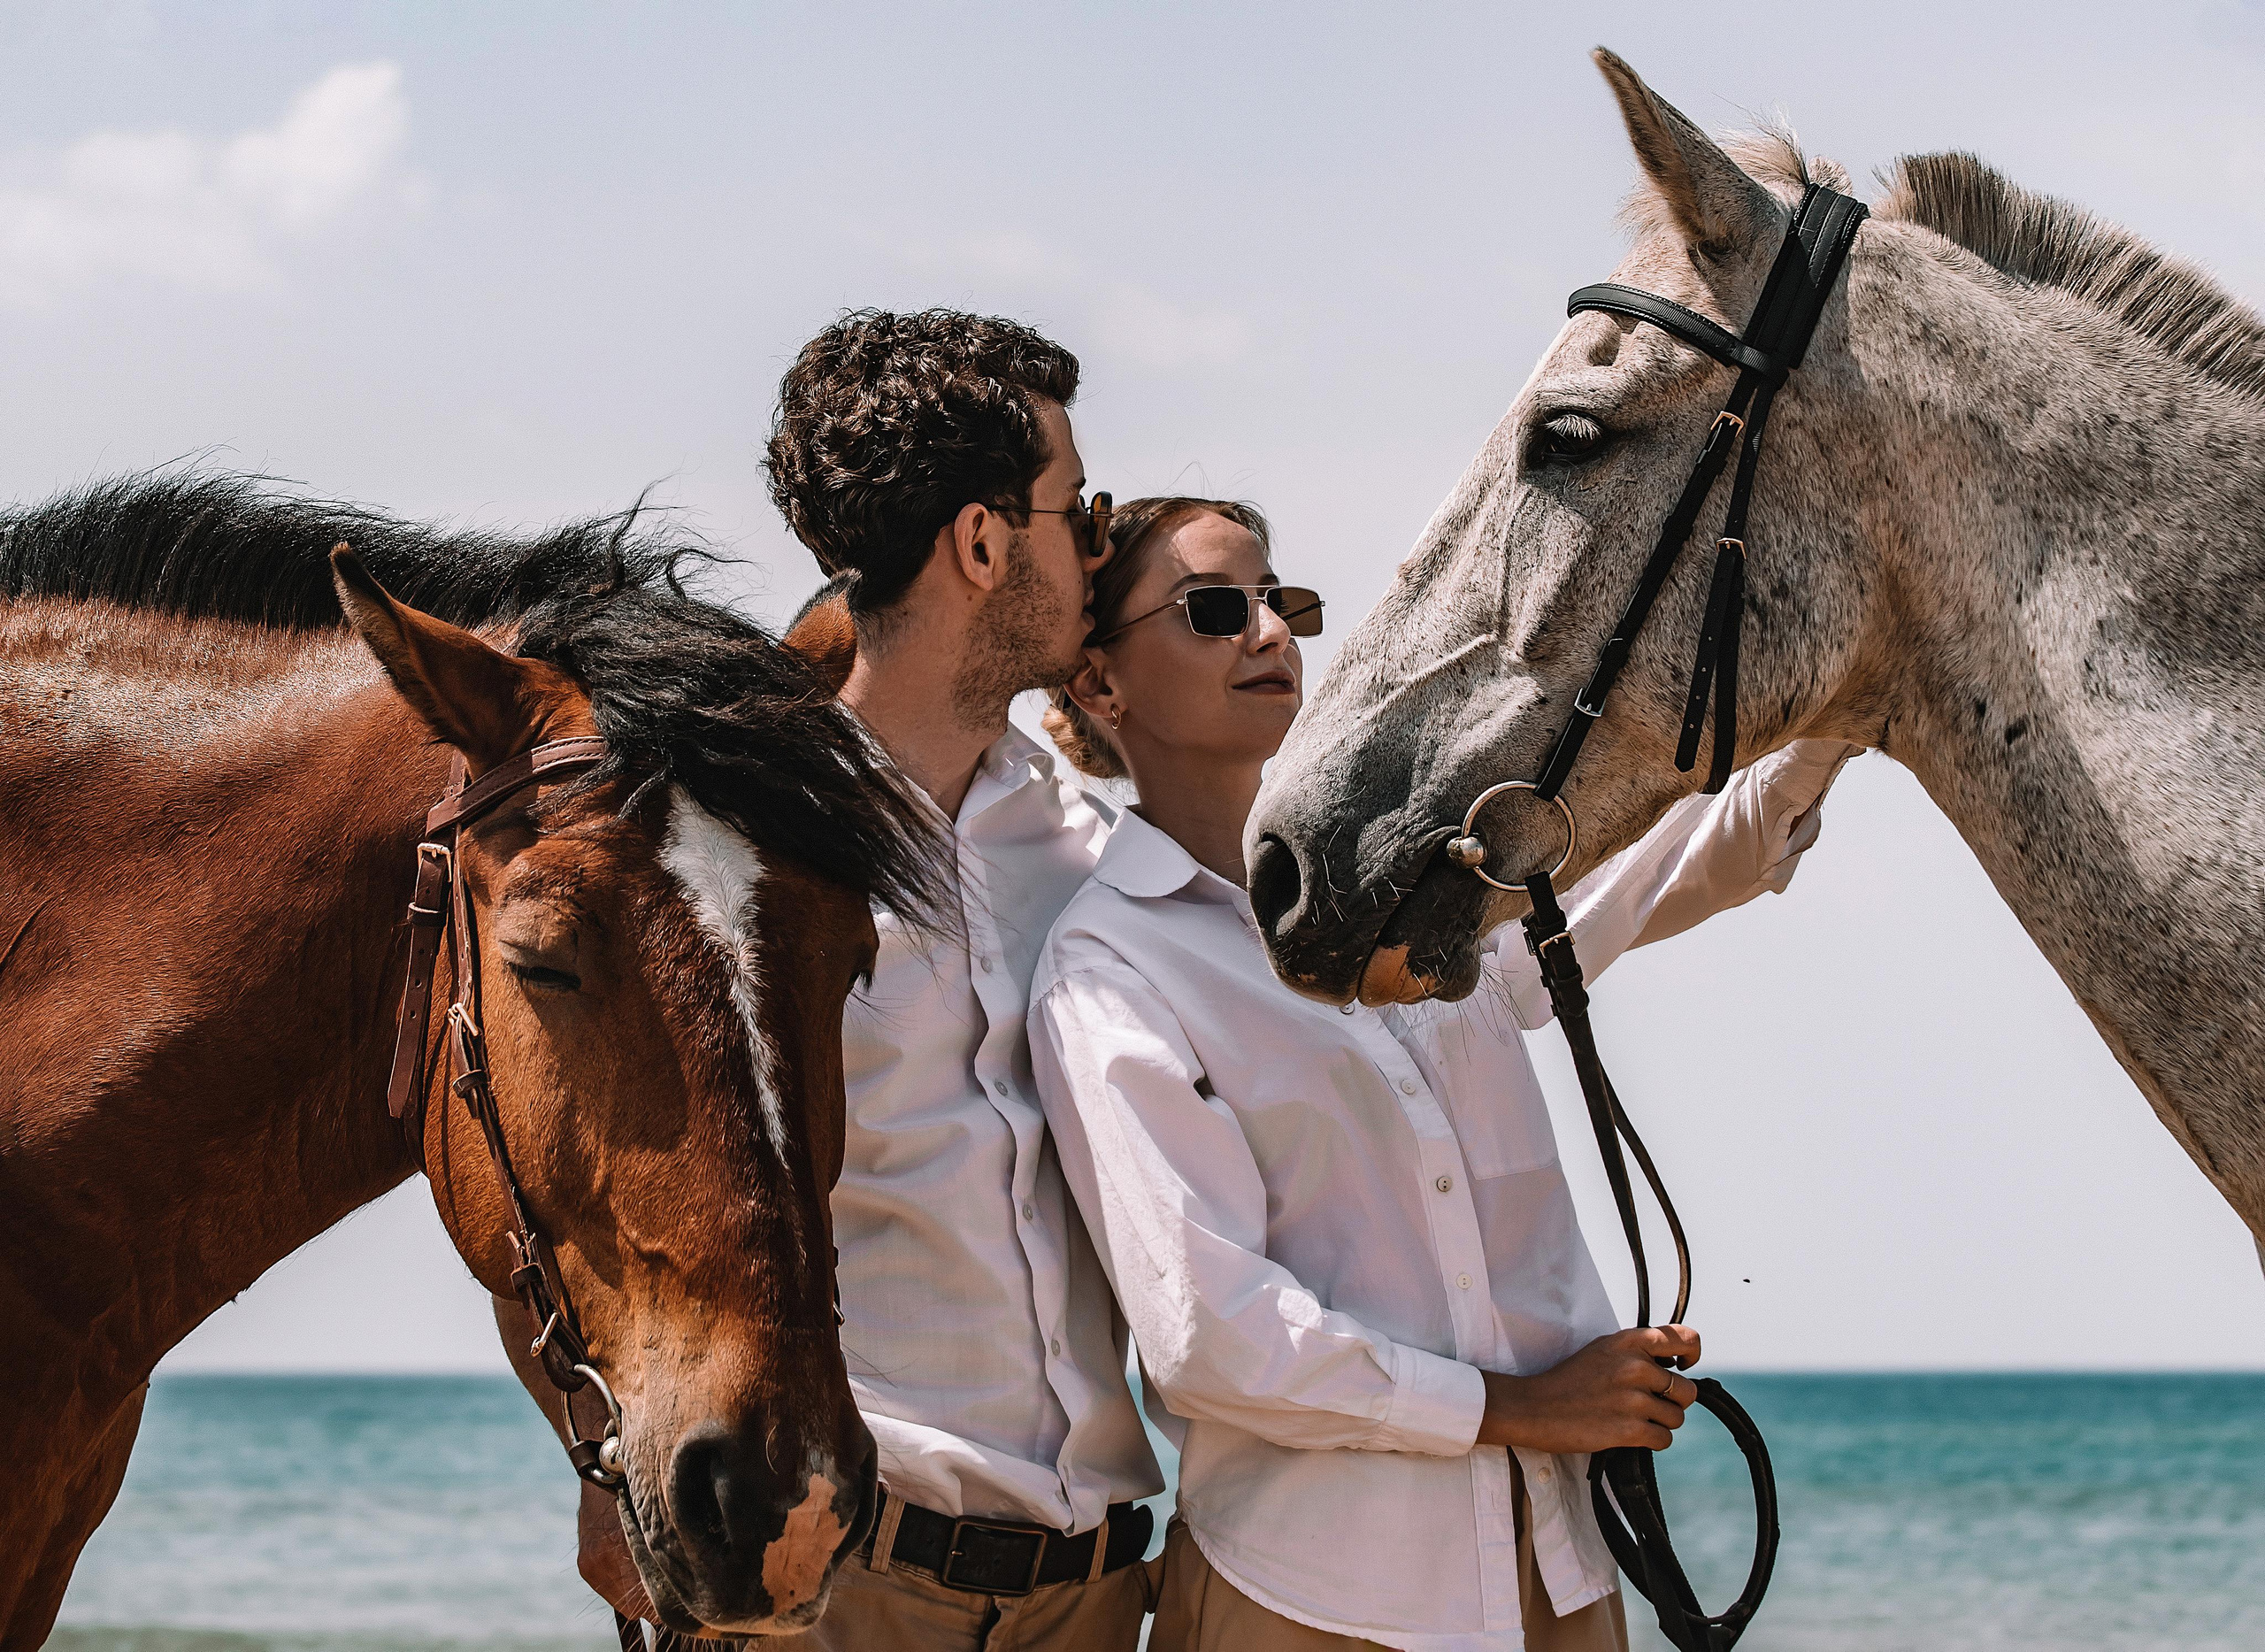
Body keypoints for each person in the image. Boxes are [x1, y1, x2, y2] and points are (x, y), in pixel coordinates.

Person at [1025, 496, 1861, 1651]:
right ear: (1100, 688)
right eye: (1216, 610)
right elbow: (1209, 1331)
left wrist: (1843, 706)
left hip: (1556, 1570)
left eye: (1282, 601)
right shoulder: (1113, 965)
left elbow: (1678, 865)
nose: (1270, 633)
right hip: (1314, 1597)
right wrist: (1518, 1409)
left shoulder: (1430, 888)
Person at [763, 310, 1163, 1650]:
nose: (1095, 553)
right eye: (1079, 513)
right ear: (985, 545)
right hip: (844, 1596)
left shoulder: (1096, 847)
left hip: (1104, 1596)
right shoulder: (749, 856)